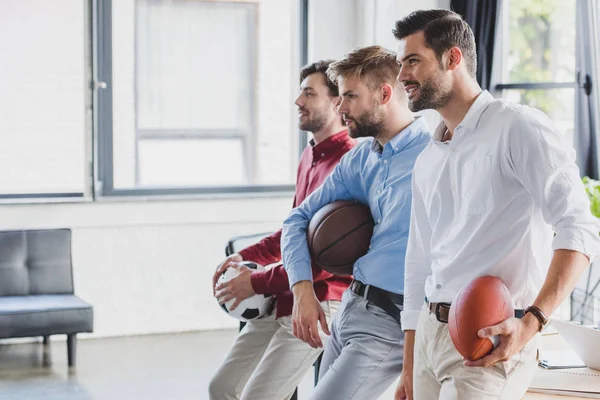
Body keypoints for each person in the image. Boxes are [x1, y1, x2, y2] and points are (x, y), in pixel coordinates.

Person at [393, 9, 600, 400]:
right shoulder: (428, 156)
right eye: (402, 63)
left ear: (453, 59)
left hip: (491, 339)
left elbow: (579, 226)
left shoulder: (518, 127)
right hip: (429, 337)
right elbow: (418, 260)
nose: (402, 75)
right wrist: (409, 364)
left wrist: (533, 322)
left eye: (413, 61)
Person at [281, 45, 431, 399]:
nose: (341, 107)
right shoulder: (362, 158)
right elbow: (297, 219)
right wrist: (302, 288)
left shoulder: (434, 154)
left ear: (384, 94)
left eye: (350, 96)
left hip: (391, 326)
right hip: (351, 308)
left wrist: (412, 359)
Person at [208, 59, 356, 400]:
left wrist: (255, 281)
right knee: (222, 388)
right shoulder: (310, 157)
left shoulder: (348, 164)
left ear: (336, 102)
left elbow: (327, 258)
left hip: (321, 302)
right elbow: (291, 233)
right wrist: (241, 258)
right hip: (283, 297)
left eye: (309, 93)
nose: (298, 102)